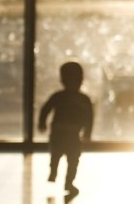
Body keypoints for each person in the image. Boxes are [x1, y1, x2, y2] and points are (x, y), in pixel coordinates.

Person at [38, 61, 94, 197]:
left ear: (62, 79)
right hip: (73, 132)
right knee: (73, 159)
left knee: (56, 154)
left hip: (59, 130)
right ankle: (68, 182)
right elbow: (89, 117)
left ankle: (53, 171)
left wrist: (42, 122)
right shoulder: (83, 98)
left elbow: (46, 109)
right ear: (81, 79)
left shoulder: (58, 96)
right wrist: (87, 132)